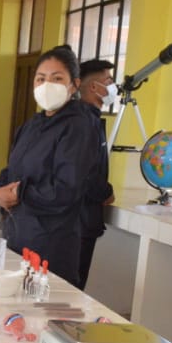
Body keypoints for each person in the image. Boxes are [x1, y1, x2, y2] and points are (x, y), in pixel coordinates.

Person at [0, 44, 101, 288]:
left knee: (43, 315)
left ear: (73, 85)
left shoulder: (78, 127)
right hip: (17, 236)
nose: (46, 85)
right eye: (40, 79)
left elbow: (65, 189)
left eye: (56, 78)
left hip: (52, 245)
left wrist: (19, 193)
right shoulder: (32, 126)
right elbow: (11, 170)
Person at [75, 58, 116, 289]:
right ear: (93, 87)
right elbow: (85, 171)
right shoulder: (83, 123)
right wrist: (105, 192)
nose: (113, 87)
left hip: (84, 220)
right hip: (79, 220)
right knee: (73, 287)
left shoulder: (90, 119)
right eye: (108, 81)